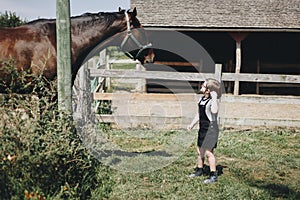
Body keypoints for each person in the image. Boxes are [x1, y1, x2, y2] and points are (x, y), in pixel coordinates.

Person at [187, 78, 222, 183]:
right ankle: (199, 169)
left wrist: (215, 97)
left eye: (203, 85)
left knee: (208, 152)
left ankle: (213, 174)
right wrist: (192, 125)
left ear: (208, 90)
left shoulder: (212, 102)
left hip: (211, 129)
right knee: (200, 150)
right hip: (203, 128)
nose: (201, 87)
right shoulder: (201, 100)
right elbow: (199, 114)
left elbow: (214, 111)